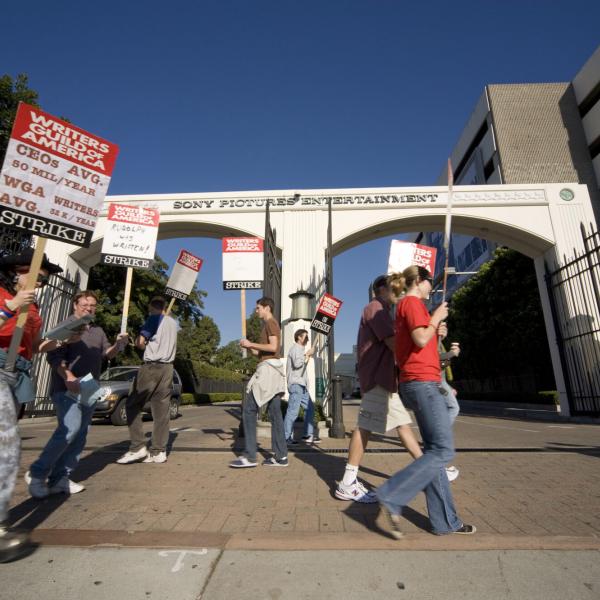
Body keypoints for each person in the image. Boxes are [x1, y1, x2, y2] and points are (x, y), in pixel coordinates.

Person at [376, 265, 476, 538]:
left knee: (434, 453)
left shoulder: (405, 306)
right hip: (423, 383)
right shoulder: (414, 303)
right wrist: (434, 318)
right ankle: (393, 493)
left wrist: (436, 331)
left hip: (417, 382)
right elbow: (420, 338)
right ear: (419, 281)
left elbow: (417, 344)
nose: (432, 287)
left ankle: (446, 522)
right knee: (442, 452)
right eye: (429, 282)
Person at [27, 291, 129, 498]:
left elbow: (107, 354)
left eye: (92, 305)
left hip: (90, 387)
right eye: (84, 304)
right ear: (75, 305)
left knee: (80, 435)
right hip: (67, 387)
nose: (88, 308)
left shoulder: (98, 331)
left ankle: (60, 479)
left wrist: (118, 345)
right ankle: (37, 473)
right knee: (69, 430)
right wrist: (68, 376)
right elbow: (54, 358)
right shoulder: (66, 326)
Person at [335, 275, 423, 503]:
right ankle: (347, 482)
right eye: (395, 288)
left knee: (401, 425)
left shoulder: (381, 310)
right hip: (378, 379)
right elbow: (393, 343)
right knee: (365, 427)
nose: (399, 292)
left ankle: (429, 469)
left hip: (381, 378)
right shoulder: (376, 308)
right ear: (382, 289)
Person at [0, 247, 63, 562]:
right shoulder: (4, 297)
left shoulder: (33, 306)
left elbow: (30, 344)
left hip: (17, 372)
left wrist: (52, 342)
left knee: (7, 447)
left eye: (44, 281)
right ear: (17, 271)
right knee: (6, 447)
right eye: (38, 277)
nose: (40, 284)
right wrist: (10, 307)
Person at [116, 296, 178, 465]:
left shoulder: (154, 318)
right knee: (161, 410)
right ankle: (158, 451)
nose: (149, 313)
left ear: (154, 308)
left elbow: (141, 343)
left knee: (132, 404)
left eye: (150, 310)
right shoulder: (173, 324)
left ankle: (138, 447)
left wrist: (134, 341)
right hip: (168, 368)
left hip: (151, 367)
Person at [230, 297, 287, 468]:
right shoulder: (270, 324)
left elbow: (273, 348)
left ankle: (250, 456)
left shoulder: (270, 323)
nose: (256, 311)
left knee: (249, 409)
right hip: (272, 371)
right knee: (275, 414)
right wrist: (250, 347)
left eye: (258, 308)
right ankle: (281, 456)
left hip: (268, 372)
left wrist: (250, 342)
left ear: (267, 308)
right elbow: (263, 353)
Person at [284, 329, 319, 445]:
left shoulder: (300, 350)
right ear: (299, 337)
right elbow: (298, 364)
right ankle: (286, 437)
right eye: (306, 337)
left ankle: (307, 434)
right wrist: (307, 354)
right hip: (296, 384)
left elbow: (301, 365)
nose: (308, 339)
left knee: (310, 408)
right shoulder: (295, 349)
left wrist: (307, 354)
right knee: (293, 412)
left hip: (301, 385)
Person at [440, 341, 461, 481]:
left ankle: (439, 434)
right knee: (453, 407)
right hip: (435, 381)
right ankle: (441, 434)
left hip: (439, 381)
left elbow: (441, 365)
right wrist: (452, 354)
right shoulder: (432, 336)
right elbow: (435, 360)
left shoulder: (438, 340)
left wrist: (448, 387)